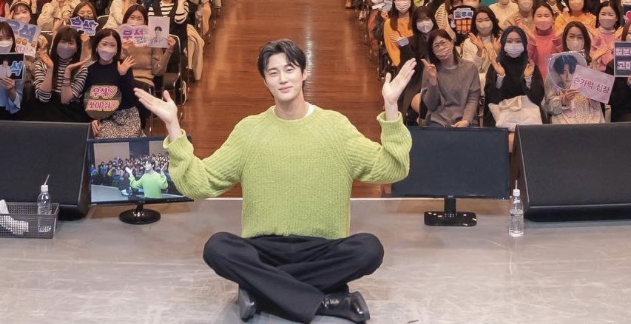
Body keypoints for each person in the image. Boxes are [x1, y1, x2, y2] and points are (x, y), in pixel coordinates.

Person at [136, 40, 415, 324]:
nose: (283, 78)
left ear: (304, 73)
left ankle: (264, 292)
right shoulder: (249, 131)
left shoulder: (335, 127)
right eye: (273, 72)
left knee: (369, 249)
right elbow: (199, 184)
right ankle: (325, 301)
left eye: (290, 69)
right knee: (217, 247)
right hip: (264, 251)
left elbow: (393, 168)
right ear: (265, 82)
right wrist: (173, 126)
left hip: (322, 250)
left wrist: (391, 108)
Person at [419, 30, 480, 127]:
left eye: (443, 43)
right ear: (433, 51)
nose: (441, 47)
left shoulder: (470, 68)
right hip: (438, 120)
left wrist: (466, 120)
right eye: (436, 46)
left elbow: (473, 98)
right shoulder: (429, 70)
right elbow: (431, 105)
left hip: (464, 119)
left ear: (451, 43)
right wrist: (433, 80)